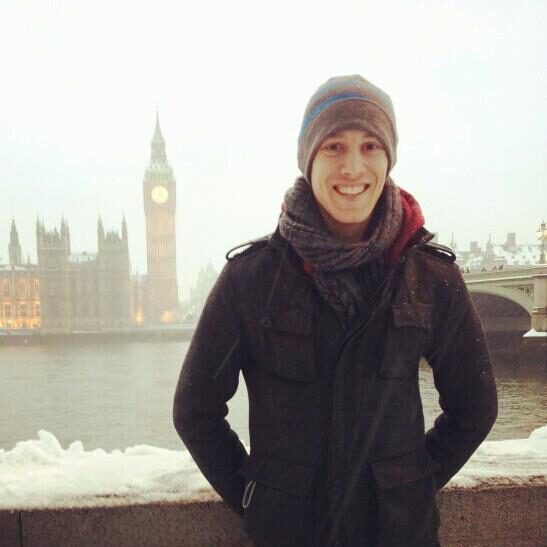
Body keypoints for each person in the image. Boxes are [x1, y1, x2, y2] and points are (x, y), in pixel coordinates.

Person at [173, 75, 498, 547]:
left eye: (370, 146)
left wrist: (408, 486)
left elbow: (475, 407)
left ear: (389, 158)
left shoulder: (431, 277)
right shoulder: (251, 279)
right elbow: (195, 410)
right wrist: (256, 496)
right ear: (308, 159)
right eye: (333, 147)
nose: (352, 167)